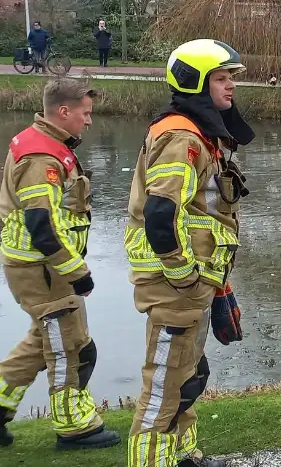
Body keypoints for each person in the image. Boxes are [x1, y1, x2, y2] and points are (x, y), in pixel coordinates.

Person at [124, 39, 254, 467]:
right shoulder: (181, 137)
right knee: (163, 387)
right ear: (196, 81)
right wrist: (183, 275)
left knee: (190, 377)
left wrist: (217, 284)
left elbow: (208, 216)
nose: (231, 85)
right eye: (221, 77)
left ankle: (183, 455)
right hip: (173, 286)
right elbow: (162, 213)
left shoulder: (202, 136)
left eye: (231, 76)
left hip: (196, 285)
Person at [0, 79, 121, 451]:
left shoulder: (39, 142)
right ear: (64, 111)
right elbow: (43, 225)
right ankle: (74, 427)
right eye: (85, 114)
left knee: (42, 341)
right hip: (43, 268)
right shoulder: (42, 158)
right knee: (72, 347)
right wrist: (76, 272)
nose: (88, 122)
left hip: (35, 266)